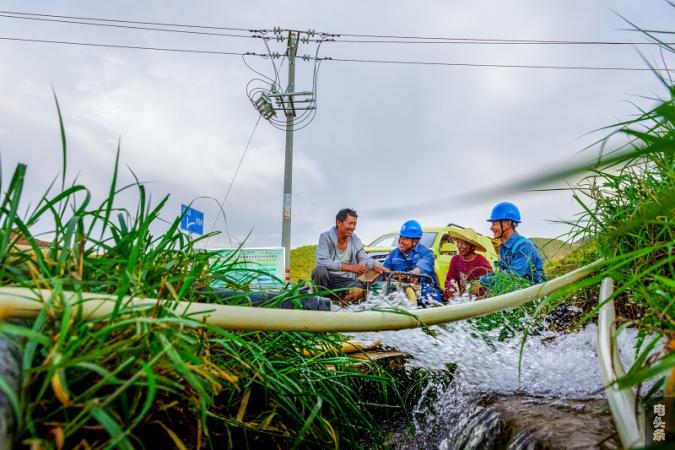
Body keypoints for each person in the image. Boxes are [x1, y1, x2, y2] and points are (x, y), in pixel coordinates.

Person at [312, 208, 384, 303]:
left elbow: (364, 258)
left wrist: (375, 265)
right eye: (350, 223)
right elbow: (322, 262)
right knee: (319, 271)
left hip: (346, 281)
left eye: (354, 224)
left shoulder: (355, 240)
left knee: (359, 289)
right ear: (338, 222)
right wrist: (350, 267)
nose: (352, 227)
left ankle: (342, 304)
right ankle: (322, 302)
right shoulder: (325, 237)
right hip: (328, 279)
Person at [479, 202, 546, 292]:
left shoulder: (525, 246)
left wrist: (482, 281)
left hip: (535, 296)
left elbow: (512, 276)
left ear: (507, 223)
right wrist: (480, 280)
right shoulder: (504, 248)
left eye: (494, 223)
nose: (491, 228)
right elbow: (502, 274)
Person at [383, 220, 442, 301]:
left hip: (423, 291)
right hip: (400, 291)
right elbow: (385, 270)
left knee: (432, 296)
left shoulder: (427, 253)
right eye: (401, 237)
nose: (401, 241)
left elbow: (425, 263)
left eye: (406, 238)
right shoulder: (393, 254)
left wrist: (416, 272)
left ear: (415, 241)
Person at [443, 227, 493, 300]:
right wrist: (451, 289)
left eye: (463, 243)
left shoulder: (482, 263)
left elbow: (488, 286)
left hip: (478, 301)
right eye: (458, 242)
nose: (459, 246)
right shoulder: (455, 259)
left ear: (472, 246)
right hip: (461, 299)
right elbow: (450, 280)